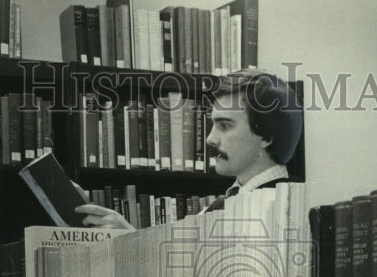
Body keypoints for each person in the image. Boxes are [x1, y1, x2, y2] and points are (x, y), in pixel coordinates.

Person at [75, 69, 302, 229]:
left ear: (266, 136)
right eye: (213, 125)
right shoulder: (223, 204)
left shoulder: (283, 209)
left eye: (225, 125)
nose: (210, 139)